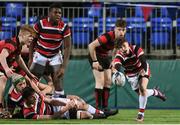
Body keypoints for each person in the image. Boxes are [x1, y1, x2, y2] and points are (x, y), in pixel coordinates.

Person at [111, 37, 167, 122]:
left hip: (141, 69)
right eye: (120, 48)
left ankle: (140, 115)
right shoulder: (119, 56)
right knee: (142, 93)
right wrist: (116, 72)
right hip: (131, 75)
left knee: (142, 89)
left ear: (127, 43)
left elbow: (143, 61)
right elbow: (117, 66)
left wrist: (144, 71)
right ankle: (155, 92)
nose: (123, 49)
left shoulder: (136, 48)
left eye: (124, 46)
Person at [29, 3, 71, 96]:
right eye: (55, 12)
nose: (58, 15)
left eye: (60, 13)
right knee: (33, 81)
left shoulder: (64, 27)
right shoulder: (40, 24)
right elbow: (32, 42)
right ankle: (30, 104)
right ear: (49, 13)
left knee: (57, 83)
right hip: (40, 54)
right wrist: (31, 58)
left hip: (55, 56)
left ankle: (60, 107)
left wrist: (63, 67)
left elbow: (67, 47)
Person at [88, 19, 127, 115]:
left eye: (123, 30)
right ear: (115, 29)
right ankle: (98, 110)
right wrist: (95, 61)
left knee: (108, 81)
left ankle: (105, 108)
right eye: (119, 29)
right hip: (95, 55)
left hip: (105, 56)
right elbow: (91, 46)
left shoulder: (121, 38)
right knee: (100, 81)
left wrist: (113, 61)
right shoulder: (108, 36)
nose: (121, 32)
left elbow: (115, 50)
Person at [0, 25, 38, 113]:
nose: (32, 39)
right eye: (30, 36)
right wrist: (6, 69)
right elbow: (1, 56)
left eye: (32, 37)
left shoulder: (18, 46)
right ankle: (0, 108)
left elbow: (19, 59)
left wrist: (29, 74)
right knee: (3, 79)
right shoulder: (12, 44)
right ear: (22, 35)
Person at [22, 87, 106, 119]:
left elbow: (52, 101)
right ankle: (96, 115)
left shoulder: (37, 96)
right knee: (87, 115)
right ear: (26, 99)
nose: (35, 98)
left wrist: (66, 103)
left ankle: (102, 113)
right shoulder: (29, 114)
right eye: (31, 97)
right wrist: (67, 107)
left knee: (81, 104)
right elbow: (51, 117)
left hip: (58, 106)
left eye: (34, 95)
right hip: (58, 114)